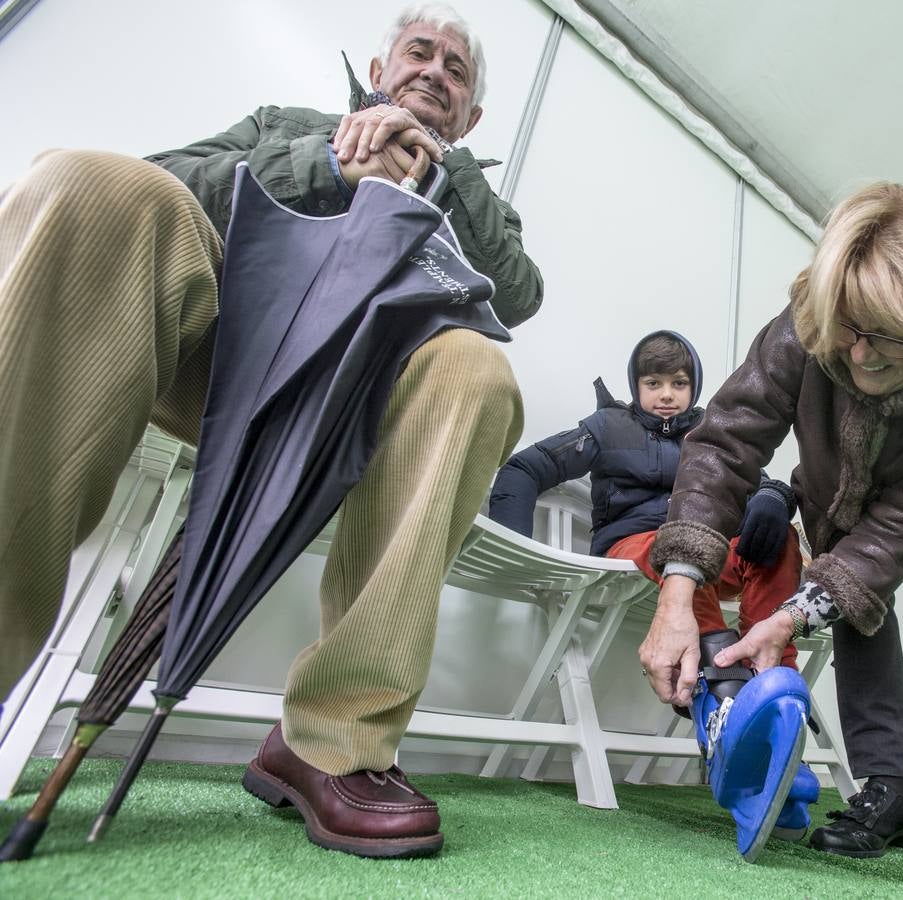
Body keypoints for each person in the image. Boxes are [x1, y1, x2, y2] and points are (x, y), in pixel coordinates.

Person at [0, 3, 540, 859]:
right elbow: (170, 177)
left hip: (371, 397)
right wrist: (326, 163)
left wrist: (446, 168)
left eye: (457, 70)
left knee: (478, 369)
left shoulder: (478, 200)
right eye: (418, 53)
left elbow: (517, 293)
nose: (435, 70)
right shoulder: (285, 125)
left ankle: (338, 738)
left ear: (473, 113)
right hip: (219, 351)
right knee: (101, 188)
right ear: (377, 67)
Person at [638, 180, 903, 898]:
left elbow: (901, 529)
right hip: (840, 467)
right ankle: (889, 788)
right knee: (847, 586)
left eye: (891, 338)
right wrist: (680, 590)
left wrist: (788, 617)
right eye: (849, 328)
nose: (862, 356)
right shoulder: (816, 316)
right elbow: (726, 444)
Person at [488, 330, 820, 859]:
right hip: (631, 547)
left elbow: (753, 480)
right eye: (653, 383)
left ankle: (772, 685)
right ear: (635, 386)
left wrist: (775, 497)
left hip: (696, 553)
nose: (666, 394)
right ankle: (724, 704)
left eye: (678, 383)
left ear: (694, 387)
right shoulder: (607, 427)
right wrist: (517, 545)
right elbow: (527, 468)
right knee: (684, 541)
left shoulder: (713, 431)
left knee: (776, 538)